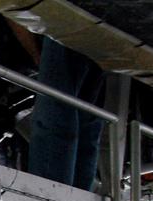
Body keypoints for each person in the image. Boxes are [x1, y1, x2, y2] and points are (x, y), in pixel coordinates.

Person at [10, 25, 106, 191]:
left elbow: (12, 7)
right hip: (101, 33)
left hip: (63, 26)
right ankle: (79, 194)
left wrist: (37, 56)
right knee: (88, 121)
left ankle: (50, 193)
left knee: (55, 115)